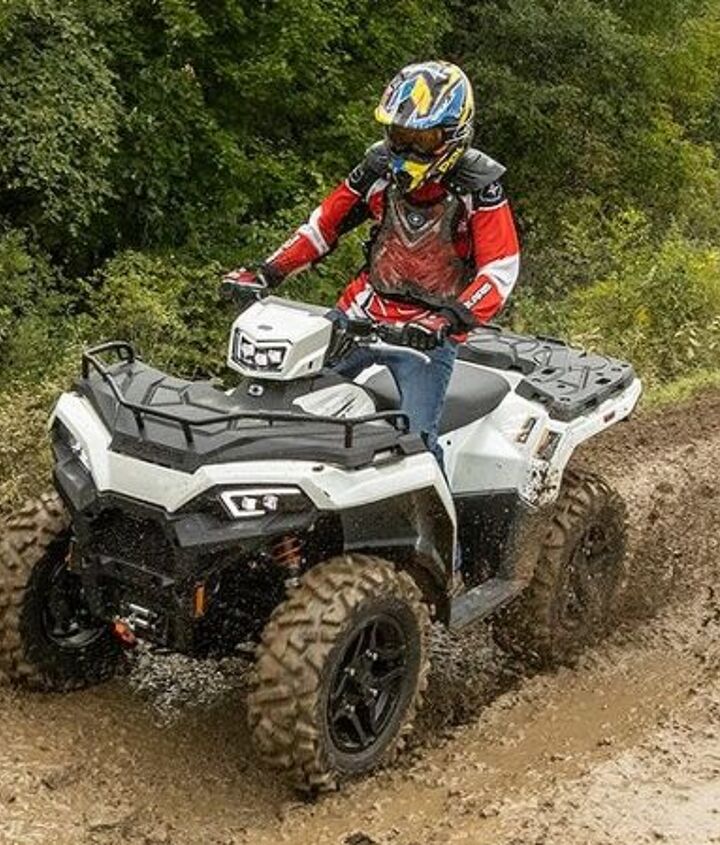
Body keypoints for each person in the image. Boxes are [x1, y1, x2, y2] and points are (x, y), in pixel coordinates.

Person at [223, 60, 520, 469]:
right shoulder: (378, 170)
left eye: (423, 138)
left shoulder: (478, 187)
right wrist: (265, 272)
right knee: (282, 401)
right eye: (400, 135)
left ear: (454, 134)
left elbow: (499, 270)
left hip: (427, 334)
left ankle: (441, 513)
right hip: (360, 314)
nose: (409, 149)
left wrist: (449, 320)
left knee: (415, 445)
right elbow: (322, 227)